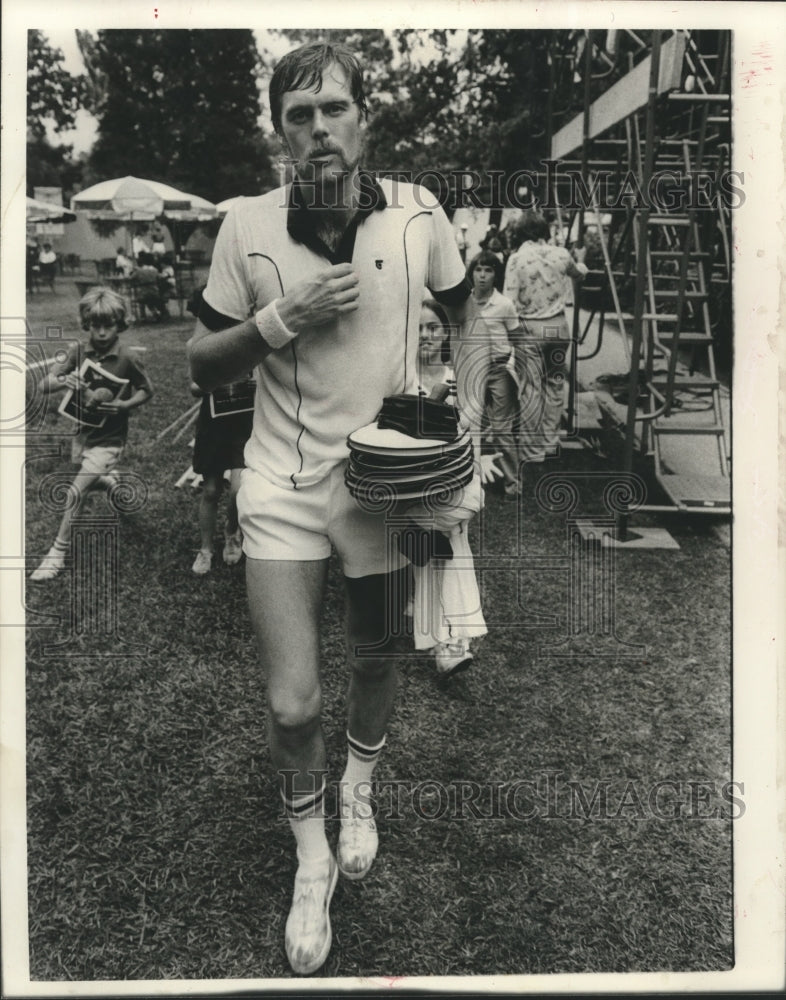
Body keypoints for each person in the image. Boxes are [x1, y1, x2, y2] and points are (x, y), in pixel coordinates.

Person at [187, 41, 491, 977]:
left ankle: (357, 791)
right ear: (279, 131)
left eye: (333, 109)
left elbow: (467, 314)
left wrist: (469, 416)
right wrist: (284, 319)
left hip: (384, 482)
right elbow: (201, 365)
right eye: (297, 115)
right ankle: (310, 857)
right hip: (278, 481)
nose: (317, 129)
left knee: (376, 656)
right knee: (291, 702)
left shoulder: (418, 214)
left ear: (364, 118)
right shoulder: (245, 225)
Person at [30, 287, 153, 582]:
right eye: (95, 325)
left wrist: (124, 404)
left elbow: (147, 390)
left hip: (110, 440)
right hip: (83, 435)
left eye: (107, 325)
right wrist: (62, 380)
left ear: (120, 323)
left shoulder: (127, 358)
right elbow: (44, 384)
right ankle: (110, 482)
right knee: (88, 483)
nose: (100, 332)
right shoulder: (78, 352)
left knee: (75, 492)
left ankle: (56, 554)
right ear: (86, 323)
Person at [409, 297, 487, 674]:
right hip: (407, 488)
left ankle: (446, 640)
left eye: (433, 328)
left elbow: (473, 446)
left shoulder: (459, 381)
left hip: (453, 484)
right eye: (418, 328)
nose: (425, 335)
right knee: (442, 542)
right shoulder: (400, 380)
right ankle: (453, 639)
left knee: (448, 539)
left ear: (445, 334)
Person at [503, 208, 588, 464]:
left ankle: (532, 451)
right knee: (555, 385)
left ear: (520, 233)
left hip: (531, 329)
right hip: (558, 328)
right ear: (544, 232)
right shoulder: (561, 254)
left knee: (531, 389)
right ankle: (551, 443)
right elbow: (580, 273)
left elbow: (509, 301)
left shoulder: (517, 259)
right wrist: (581, 259)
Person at [467, 250, 524, 496]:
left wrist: (519, 374)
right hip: (470, 369)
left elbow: (518, 340)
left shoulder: (504, 304)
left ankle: (513, 481)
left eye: (488, 270)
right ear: (471, 273)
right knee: (465, 424)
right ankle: (464, 476)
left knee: (501, 428)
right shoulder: (464, 301)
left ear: (496, 275)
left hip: (498, 370)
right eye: (478, 270)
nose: (482, 276)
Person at [189, 377, 254, 575]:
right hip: (213, 426)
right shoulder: (203, 346)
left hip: (244, 424)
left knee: (238, 489)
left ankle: (232, 530)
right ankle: (206, 549)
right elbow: (194, 387)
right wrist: (215, 383)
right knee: (210, 491)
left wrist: (256, 385)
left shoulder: (251, 348)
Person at [131, 252, 168, 321]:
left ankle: (143, 316)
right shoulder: (155, 270)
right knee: (153, 298)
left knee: (142, 299)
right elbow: (160, 278)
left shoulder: (139, 271)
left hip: (143, 293)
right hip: (154, 292)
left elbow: (131, 278)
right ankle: (157, 312)